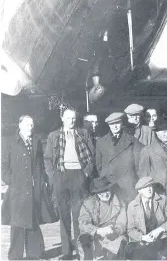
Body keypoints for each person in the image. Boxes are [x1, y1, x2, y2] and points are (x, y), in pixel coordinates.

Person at [1, 115, 55, 260]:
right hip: (17, 192)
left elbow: (40, 165)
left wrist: (43, 180)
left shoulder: (36, 142)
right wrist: (12, 181)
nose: (30, 128)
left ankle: (35, 254)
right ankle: (14, 256)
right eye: (27, 125)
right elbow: (4, 167)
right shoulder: (9, 142)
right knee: (17, 224)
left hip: (34, 190)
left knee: (32, 220)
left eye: (32, 125)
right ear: (20, 125)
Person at [44, 108, 95, 259]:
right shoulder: (53, 136)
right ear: (62, 119)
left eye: (73, 118)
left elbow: (91, 154)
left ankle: (81, 251)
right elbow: (47, 159)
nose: (71, 121)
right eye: (68, 118)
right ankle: (67, 252)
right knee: (64, 215)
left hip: (79, 176)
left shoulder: (83, 133)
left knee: (78, 216)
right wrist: (54, 177)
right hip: (62, 176)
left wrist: (86, 173)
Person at [125, 177, 167, 260]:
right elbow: (130, 229)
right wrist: (143, 237)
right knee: (133, 252)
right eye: (145, 188)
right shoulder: (132, 206)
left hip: (162, 238)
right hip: (143, 241)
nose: (149, 189)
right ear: (139, 191)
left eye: (150, 186)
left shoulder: (163, 200)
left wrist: (159, 230)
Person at [96, 112, 143, 204]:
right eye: (112, 124)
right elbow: (99, 165)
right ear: (108, 125)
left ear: (121, 123)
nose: (115, 126)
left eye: (117, 123)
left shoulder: (132, 140)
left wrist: (133, 180)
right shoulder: (101, 142)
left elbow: (138, 164)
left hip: (127, 182)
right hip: (110, 183)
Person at [138, 119, 167, 206]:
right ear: (156, 132)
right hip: (158, 193)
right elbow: (143, 176)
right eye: (163, 131)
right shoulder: (147, 150)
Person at [78, 177, 127, 260]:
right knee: (84, 239)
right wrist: (98, 230)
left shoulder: (119, 202)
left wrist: (115, 231)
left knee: (121, 243)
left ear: (110, 189)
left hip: (113, 235)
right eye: (101, 192)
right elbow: (83, 224)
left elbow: (122, 222)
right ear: (96, 193)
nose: (105, 194)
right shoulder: (88, 204)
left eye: (106, 190)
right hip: (95, 237)